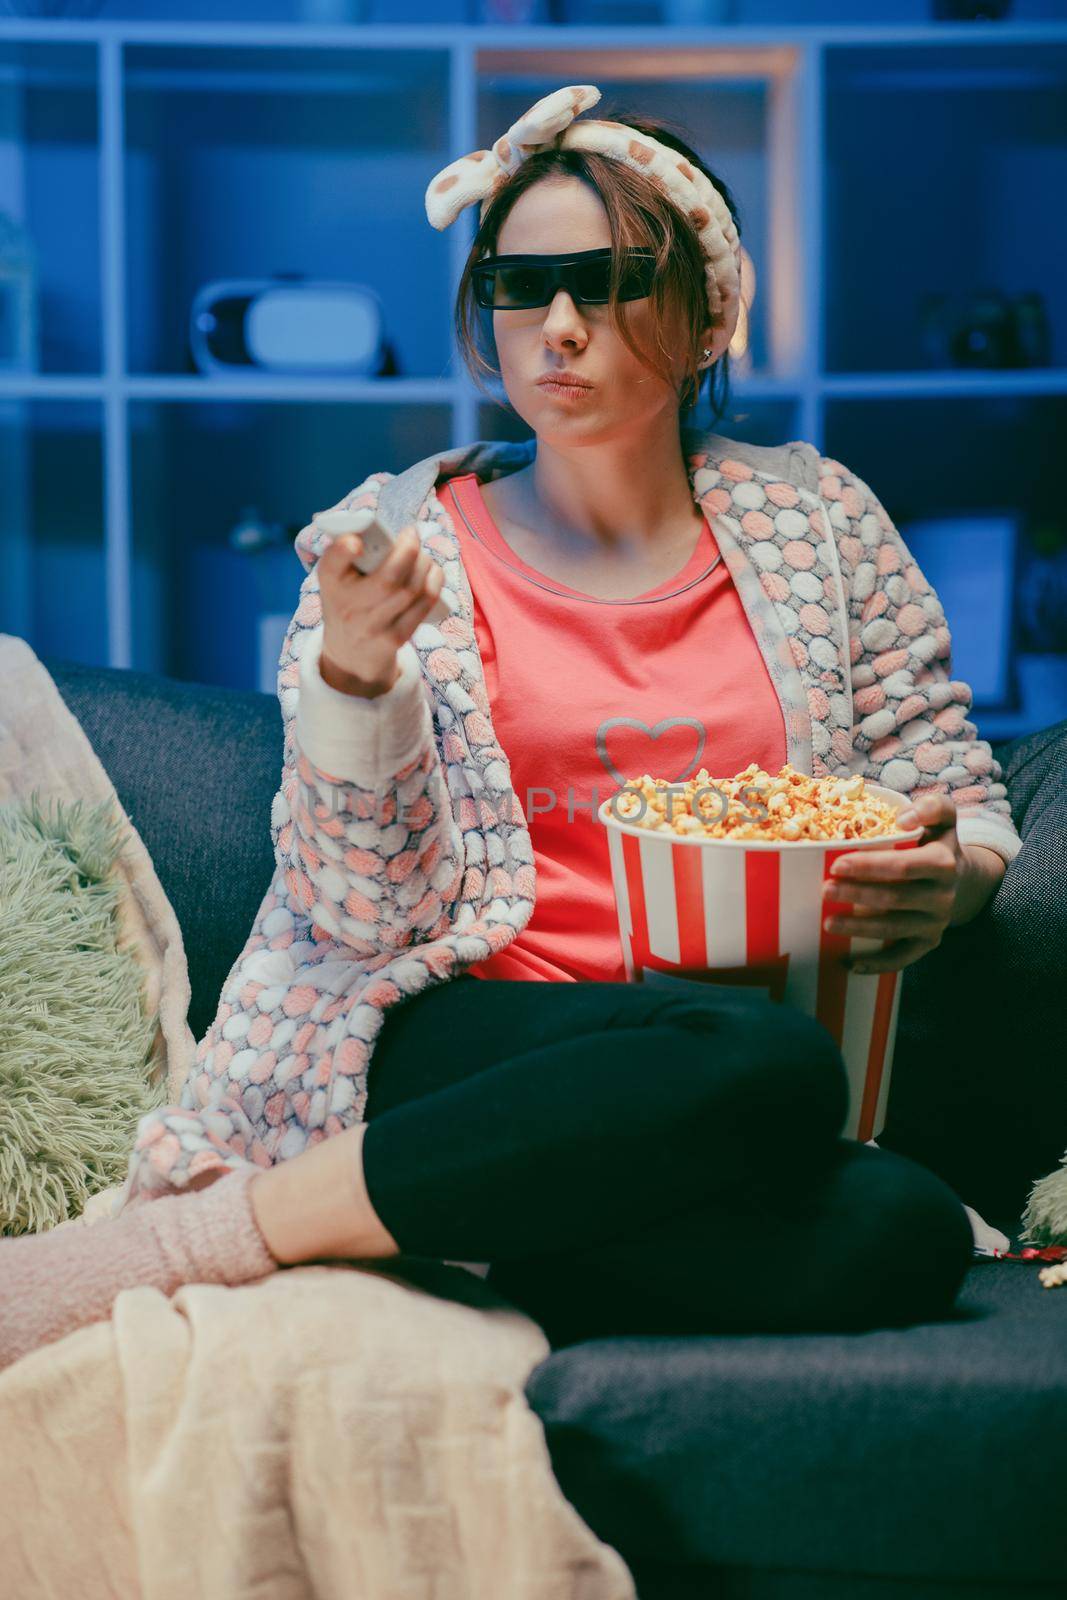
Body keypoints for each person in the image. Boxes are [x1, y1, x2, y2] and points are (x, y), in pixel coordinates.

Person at [0, 87, 1023, 1372]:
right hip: (456, 1033)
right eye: (519, 285)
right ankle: (202, 1239)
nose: (558, 328)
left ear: (707, 312)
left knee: (899, 1228)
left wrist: (952, 876)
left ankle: (463, 1234)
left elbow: (951, 784)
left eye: (607, 283)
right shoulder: (384, 551)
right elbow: (361, 913)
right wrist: (356, 681)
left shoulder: (820, 523)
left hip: (717, 1079)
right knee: (755, 1055)